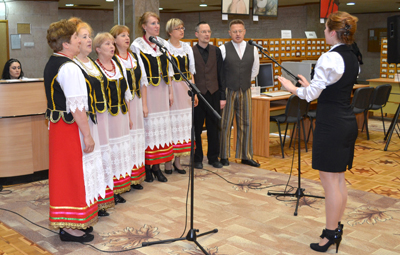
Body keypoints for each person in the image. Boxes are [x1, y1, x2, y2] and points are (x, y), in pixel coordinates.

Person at [278, 11, 359, 253]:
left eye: (325, 29)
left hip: (331, 124)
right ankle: (336, 228)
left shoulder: (328, 57)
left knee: (330, 183)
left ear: (333, 32)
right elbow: (330, 87)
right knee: (339, 179)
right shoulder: (353, 55)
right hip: (346, 120)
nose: (324, 32)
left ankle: (330, 233)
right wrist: (310, 84)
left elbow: (311, 96)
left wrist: (293, 88)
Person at [44, 19, 105, 242]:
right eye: (75, 38)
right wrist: (87, 135)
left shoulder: (54, 62)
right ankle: (69, 228)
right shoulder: (69, 67)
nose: (80, 40)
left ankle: (71, 222)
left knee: (66, 174)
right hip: (69, 128)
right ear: (66, 44)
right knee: (72, 175)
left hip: (59, 127)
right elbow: (78, 107)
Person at [70, 17, 115, 217]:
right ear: (74, 41)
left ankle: (99, 200)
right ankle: (87, 202)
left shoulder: (92, 64)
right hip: (84, 121)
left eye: (90, 36)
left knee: (99, 158)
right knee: (87, 160)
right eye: (84, 36)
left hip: (100, 117)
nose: (89, 40)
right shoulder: (73, 64)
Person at [131, 12, 174, 182]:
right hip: (148, 91)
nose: (156, 26)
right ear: (144, 26)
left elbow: (169, 69)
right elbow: (140, 74)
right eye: (152, 23)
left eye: (157, 23)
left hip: (162, 90)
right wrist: (144, 102)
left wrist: (170, 91)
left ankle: (157, 167)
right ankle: (147, 167)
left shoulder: (163, 43)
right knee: (148, 129)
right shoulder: (137, 45)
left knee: (160, 130)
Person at [94, 32, 133, 204]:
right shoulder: (95, 69)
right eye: (107, 44)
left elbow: (127, 93)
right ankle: (107, 190)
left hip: (122, 116)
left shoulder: (119, 65)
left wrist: (129, 116)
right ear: (97, 49)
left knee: (120, 152)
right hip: (106, 118)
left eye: (112, 43)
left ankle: (117, 188)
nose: (111, 47)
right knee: (108, 153)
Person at [110, 24, 148, 189]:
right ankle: (124, 178)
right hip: (125, 105)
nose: (127, 38)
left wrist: (144, 105)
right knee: (126, 140)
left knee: (137, 139)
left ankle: (136, 177)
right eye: (122, 35)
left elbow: (143, 82)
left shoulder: (134, 57)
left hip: (137, 102)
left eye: (127, 34)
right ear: (114, 40)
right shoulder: (114, 60)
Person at [219, 19, 260, 168]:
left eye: (240, 31)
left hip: (246, 89)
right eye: (234, 31)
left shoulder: (252, 49)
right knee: (225, 123)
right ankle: (223, 155)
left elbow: (255, 71)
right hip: (228, 90)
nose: (238, 34)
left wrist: (243, 81)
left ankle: (246, 156)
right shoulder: (223, 48)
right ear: (229, 33)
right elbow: (220, 72)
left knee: (246, 123)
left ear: (245, 32)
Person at [166, 18, 198, 174]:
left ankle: (178, 161)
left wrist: (194, 91)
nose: (181, 30)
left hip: (186, 88)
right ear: (170, 31)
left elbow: (191, 72)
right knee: (171, 124)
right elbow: (167, 73)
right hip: (173, 87)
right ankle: (167, 162)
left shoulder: (187, 47)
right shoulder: (165, 47)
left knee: (183, 126)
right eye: (178, 28)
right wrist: (169, 92)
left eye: (182, 27)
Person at [192, 21, 225, 169]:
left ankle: (213, 157)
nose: (207, 34)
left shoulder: (216, 51)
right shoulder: (190, 51)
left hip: (213, 94)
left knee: (213, 128)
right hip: (198, 96)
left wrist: (222, 96)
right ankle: (197, 158)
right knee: (197, 128)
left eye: (209, 31)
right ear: (197, 34)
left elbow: (221, 74)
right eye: (204, 31)